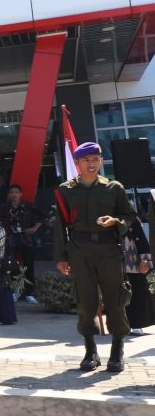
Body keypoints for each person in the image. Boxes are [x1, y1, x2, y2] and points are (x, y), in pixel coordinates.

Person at [53, 142, 136, 372]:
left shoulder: (113, 188)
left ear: (101, 161)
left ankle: (117, 352)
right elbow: (59, 224)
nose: (92, 163)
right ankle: (91, 352)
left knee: (116, 299)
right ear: (77, 163)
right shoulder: (65, 190)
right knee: (85, 302)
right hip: (79, 250)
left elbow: (129, 216)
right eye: (86, 159)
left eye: (96, 158)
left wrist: (115, 222)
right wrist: (61, 256)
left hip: (109, 249)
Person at [0, 184, 40, 303]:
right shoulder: (4, 207)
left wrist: (35, 228)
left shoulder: (28, 206)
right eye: (12, 192)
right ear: (8, 195)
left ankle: (29, 293)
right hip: (10, 239)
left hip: (25, 238)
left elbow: (42, 215)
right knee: (11, 265)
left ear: (21, 194)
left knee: (29, 265)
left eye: (16, 192)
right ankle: (15, 292)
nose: (14, 195)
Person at [122, 217, 154, 334]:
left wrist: (145, 260)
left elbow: (142, 240)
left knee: (137, 292)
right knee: (115, 295)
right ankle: (119, 325)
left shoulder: (131, 219)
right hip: (111, 262)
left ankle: (137, 324)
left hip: (133, 261)